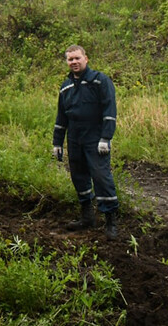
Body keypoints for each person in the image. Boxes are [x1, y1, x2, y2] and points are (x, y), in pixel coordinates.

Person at [52, 45, 119, 240]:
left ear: (86, 59)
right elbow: (61, 117)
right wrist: (57, 143)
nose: (74, 62)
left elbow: (109, 110)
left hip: (95, 137)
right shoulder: (66, 87)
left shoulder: (100, 81)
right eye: (70, 59)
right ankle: (87, 217)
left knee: (100, 176)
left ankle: (110, 221)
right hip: (74, 138)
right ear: (67, 62)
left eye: (77, 58)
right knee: (78, 176)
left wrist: (106, 138)